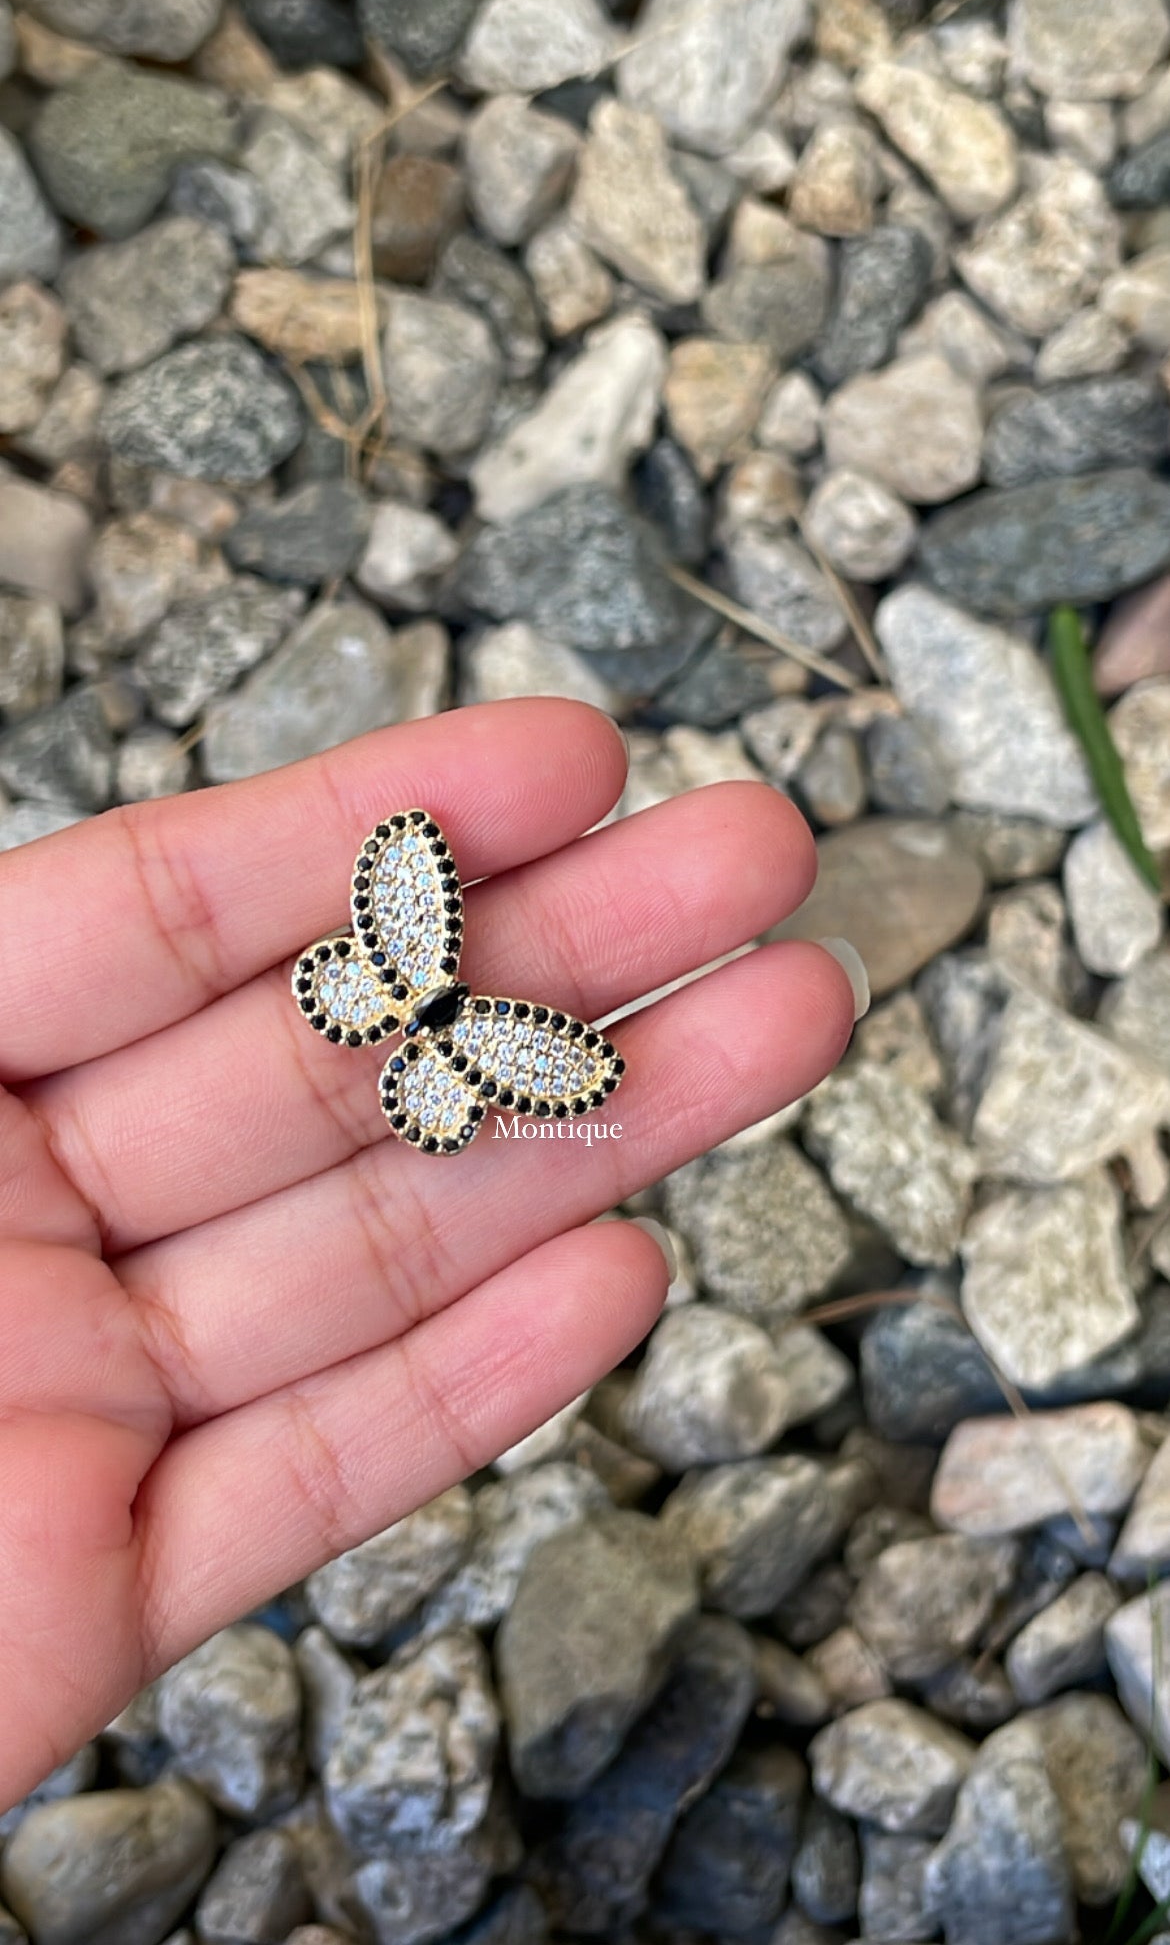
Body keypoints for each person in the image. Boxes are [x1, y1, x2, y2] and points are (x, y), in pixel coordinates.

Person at [0, 698, 862, 1811]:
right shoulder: (434, 1001)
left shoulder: (431, 992)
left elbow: (554, 1039)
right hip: (424, 1029)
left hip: (425, 1024)